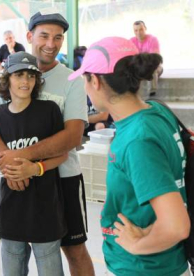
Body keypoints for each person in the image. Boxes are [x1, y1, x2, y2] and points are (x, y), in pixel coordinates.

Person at [0, 12, 95, 276]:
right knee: (15, 253)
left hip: (63, 178)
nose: (51, 44)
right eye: (44, 36)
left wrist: (21, 160)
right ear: (30, 36)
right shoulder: (8, 75)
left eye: (58, 38)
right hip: (14, 180)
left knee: (74, 250)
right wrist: (9, 166)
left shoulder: (71, 80)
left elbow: (73, 136)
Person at [69, 36, 190, 275]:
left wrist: (137, 244)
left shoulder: (137, 140)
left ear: (95, 81)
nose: (84, 87)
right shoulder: (155, 111)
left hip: (143, 269)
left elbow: (176, 226)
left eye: (85, 79)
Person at [0, 51, 67, 275]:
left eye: (31, 76)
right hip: (11, 208)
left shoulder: (49, 111)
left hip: (44, 208)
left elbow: (62, 154)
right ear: (7, 80)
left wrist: (36, 168)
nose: (25, 81)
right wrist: (5, 168)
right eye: (19, 75)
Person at [130, 20, 162, 96]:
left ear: (145, 29)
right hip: (139, 66)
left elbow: (154, 60)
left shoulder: (153, 39)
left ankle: (152, 93)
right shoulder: (131, 41)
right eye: (136, 30)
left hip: (153, 66)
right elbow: (130, 58)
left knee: (152, 69)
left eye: (141, 29)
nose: (138, 32)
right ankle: (132, 93)